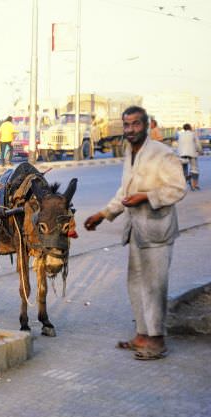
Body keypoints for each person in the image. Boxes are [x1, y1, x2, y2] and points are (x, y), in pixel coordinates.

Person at [83, 106, 186, 361]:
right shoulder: (130, 152)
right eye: (127, 125)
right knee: (136, 284)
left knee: (154, 286)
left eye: (136, 124)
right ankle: (142, 334)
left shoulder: (162, 153)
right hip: (136, 231)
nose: (130, 130)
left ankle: (157, 341)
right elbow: (125, 191)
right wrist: (103, 214)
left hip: (157, 230)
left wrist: (146, 196)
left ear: (146, 125)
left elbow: (177, 188)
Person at [176, 123, 201, 191]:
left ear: (184, 128)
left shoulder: (180, 135)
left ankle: (185, 180)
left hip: (182, 154)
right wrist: (200, 151)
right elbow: (198, 144)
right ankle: (195, 184)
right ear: (190, 128)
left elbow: (179, 145)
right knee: (194, 168)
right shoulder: (193, 134)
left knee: (184, 169)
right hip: (192, 154)